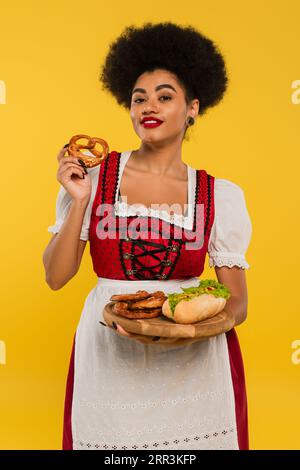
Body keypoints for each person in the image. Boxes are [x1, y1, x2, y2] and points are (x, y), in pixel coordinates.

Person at [43, 22, 252, 450]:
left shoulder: (220, 196)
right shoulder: (93, 178)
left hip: (191, 368)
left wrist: (181, 330)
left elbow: (238, 304)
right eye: (139, 98)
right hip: (107, 353)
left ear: (192, 108)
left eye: (164, 96)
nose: (148, 107)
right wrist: (79, 200)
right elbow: (55, 276)